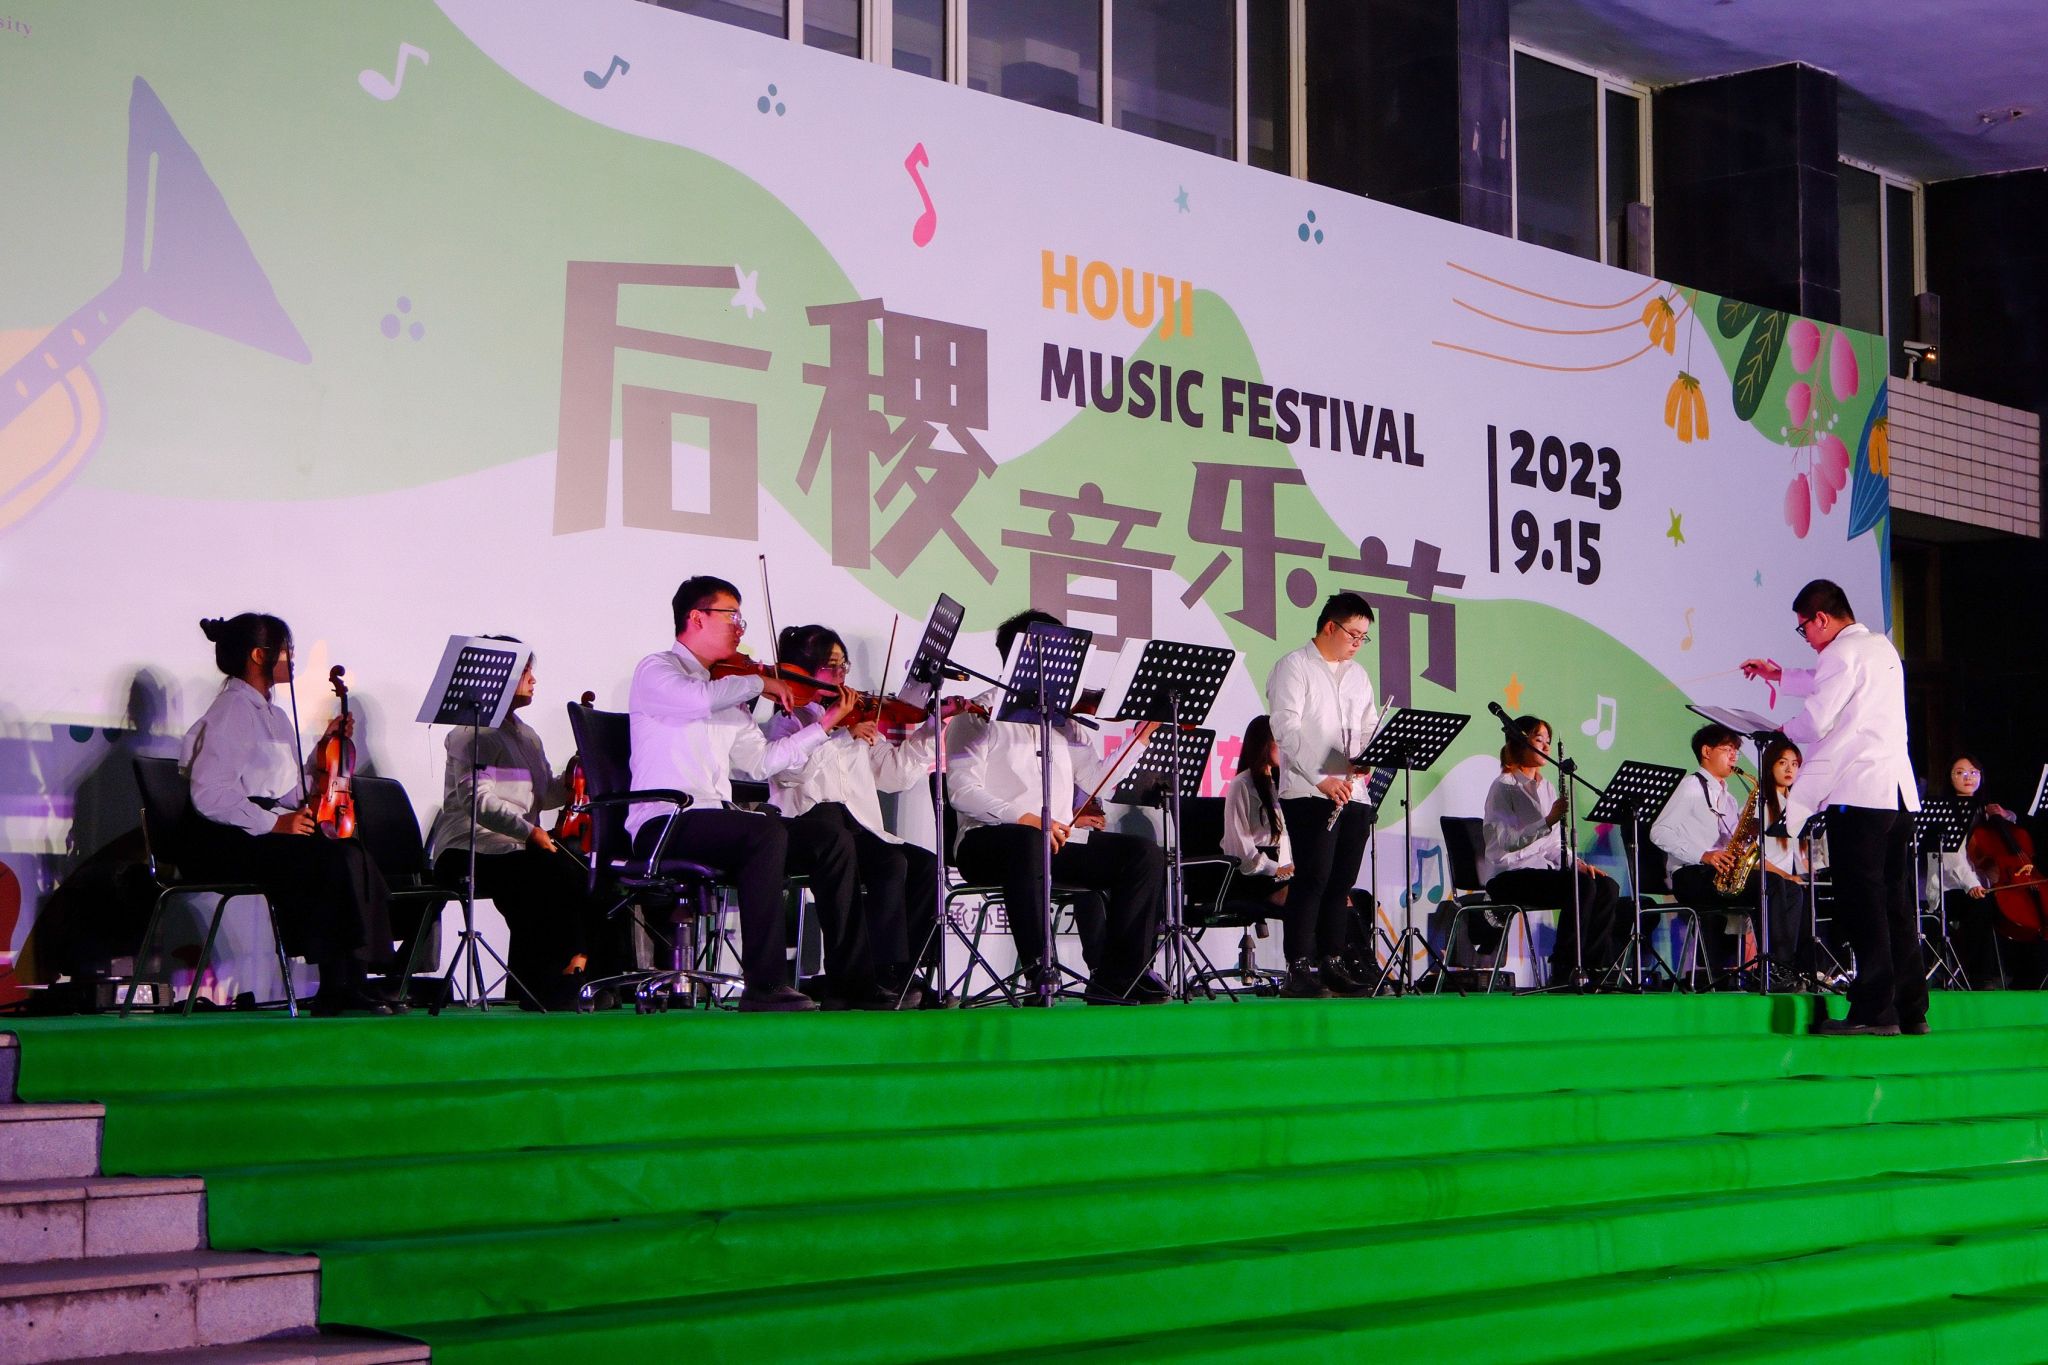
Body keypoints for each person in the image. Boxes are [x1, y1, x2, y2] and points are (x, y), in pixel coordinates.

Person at [627, 576, 862, 1013]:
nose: (740, 627)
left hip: (717, 822)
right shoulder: (658, 670)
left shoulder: (729, 688)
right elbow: (695, 699)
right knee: (763, 832)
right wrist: (758, 682)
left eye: (741, 618)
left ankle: (849, 982)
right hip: (666, 822)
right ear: (696, 618)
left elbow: (761, 761)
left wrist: (825, 724)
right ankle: (765, 985)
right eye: (731, 616)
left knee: (829, 840)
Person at [179, 613, 401, 1015]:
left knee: (350, 851)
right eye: (285, 649)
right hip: (229, 838)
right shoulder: (232, 710)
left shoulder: (275, 715)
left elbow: (287, 788)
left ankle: (356, 979)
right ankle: (335, 988)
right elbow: (209, 793)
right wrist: (275, 823)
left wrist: (322, 752)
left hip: (263, 830)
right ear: (258, 655)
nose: (292, 657)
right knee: (326, 859)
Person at [948, 610, 1166, 1004]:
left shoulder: (1064, 720)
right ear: (1021, 654)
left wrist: (1141, 737)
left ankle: (1119, 977)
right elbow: (961, 791)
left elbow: (1101, 782)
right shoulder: (977, 714)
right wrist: (1027, 819)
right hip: (988, 843)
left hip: (1056, 842)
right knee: (1027, 841)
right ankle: (1039, 971)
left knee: (1142, 854)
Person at [1742, 578, 1923, 1035]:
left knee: (1863, 903)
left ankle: (1874, 1012)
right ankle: (1910, 1009)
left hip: (1859, 795)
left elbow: (1817, 720)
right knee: (1895, 902)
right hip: (1896, 794)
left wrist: (1780, 730)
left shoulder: (1841, 654)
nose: (1805, 637)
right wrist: (1779, 676)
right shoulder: (1878, 647)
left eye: (1803, 627)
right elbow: (1828, 681)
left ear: (1821, 618)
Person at [766, 623, 955, 1006]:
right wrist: (836, 734)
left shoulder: (854, 717)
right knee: (889, 862)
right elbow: (789, 773)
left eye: (844, 665)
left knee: (923, 866)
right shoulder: (789, 720)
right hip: (810, 829)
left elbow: (895, 775)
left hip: (857, 828)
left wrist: (933, 727)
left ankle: (900, 973)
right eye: (831, 666)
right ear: (802, 671)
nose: (841, 675)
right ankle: (870, 976)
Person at [425, 641, 616, 1010]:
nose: (533, 679)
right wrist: (530, 832)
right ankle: (546, 983)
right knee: (543, 872)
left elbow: (544, 794)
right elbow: (476, 802)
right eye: (525, 671)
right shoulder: (471, 733)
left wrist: (577, 775)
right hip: (469, 848)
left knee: (586, 870)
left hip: (516, 846)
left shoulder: (527, 735)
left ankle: (582, 973)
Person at [1264, 592, 1383, 998]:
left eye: (1364, 637)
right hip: (1308, 790)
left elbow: (1367, 725)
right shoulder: (1294, 666)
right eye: (1353, 634)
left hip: (1353, 792)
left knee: (1342, 881)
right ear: (1330, 627)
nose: (1358, 643)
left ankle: (1333, 961)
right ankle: (1299, 966)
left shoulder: (1358, 675)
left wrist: (1368, 758)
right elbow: (1286, 730)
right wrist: (1320, 778)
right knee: (1313, 877)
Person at [1478, 714, 1624, 986]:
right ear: (1520, 742)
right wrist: (1546, 821)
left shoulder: (1546, 787)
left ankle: (1593, 966)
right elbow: (1507, 841)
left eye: (1548, 740)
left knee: (1607, 886)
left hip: (1541, 873)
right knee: (1581, 887)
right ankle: (1564, 967)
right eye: (1539, 739)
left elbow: (1554, 845)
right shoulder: (1504, 786)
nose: (1546, 746)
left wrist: (1577, 864)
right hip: (1509, 876)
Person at [1649, 722, 1780, 983]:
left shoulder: (1729, 798)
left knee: (1790, 890)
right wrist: (1704, 854)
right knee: (1771, 885)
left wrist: (1748, 837)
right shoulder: (1690, 787)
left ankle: (1786, 965)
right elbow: (1659, 831)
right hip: (1691, 875)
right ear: (1706, 751)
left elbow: (1731, 842)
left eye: (1736, 751)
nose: (1734, 756)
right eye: (1727, 749)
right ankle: (1773, 969)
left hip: (1718, 873)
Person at [1928, 755, 2035, 989]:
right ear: (1950, 778)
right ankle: (1980, 977)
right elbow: (1953, 857)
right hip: (1951, 888)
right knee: (1981, 906)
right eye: (1960, 772)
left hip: (1985, 885)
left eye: (1974, 772)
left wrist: (2006, 815)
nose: (1968, 777)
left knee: (2024, 906)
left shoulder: (1983, 810)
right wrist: (1972, 885)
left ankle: (2027, 977)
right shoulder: (1945, 811)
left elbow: (2011, 824)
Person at [1221, 715, 1294, 909]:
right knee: (1308, 899)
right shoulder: (1241, 784)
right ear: (1262, 744)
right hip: (1255, 875)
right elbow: (1241, 851)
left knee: (1343, 898)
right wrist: (1275, 868)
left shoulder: (1282, 783)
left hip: (1283, 869)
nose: (1284, 746)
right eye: (1278, 740)